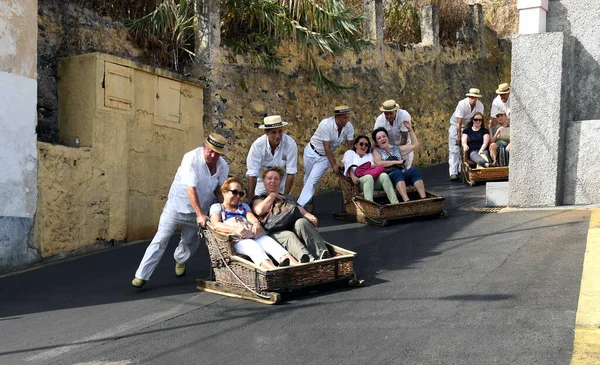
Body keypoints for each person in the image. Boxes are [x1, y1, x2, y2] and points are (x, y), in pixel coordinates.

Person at [131, 133, 229, 288]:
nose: (212, 155)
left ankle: (180, 259)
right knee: (160, 239)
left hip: (201, 210)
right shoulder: (190, 158)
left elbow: (219, 189)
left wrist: (227, 205)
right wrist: (200, 214)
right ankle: (141, 276)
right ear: (205, 146)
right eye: (210, 150)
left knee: (190, 242)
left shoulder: (223, 165)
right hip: (177, 207)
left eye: (216, 152)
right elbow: (191, 189)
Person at [210, 177, 298, 269]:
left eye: (241, 193)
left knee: (270, 243)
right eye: (234, 192)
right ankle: (274, 270)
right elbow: (216, 225)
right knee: (253, 247)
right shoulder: (217, 207)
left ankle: (296, 266)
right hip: (236, 240)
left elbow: (252, 218)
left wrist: (256, 224)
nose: (238, 196)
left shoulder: (243, 206)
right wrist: (235, 229)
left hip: (252, 235)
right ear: (224, 192)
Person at [253, 167, 331, 261]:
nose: (273, 181)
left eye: (276, 179)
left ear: (280, 182)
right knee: (289, 235)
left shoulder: (287, 198)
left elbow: (297, 208)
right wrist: (273, 195)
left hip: (292, 226)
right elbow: (259, 210)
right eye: (269, 178)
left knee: (301, 222)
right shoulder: (259, 199)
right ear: (264, 181)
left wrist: (308, 215)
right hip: (274, 232)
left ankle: (323, 253)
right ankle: (307, 259)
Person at [297, 105, 355, 207]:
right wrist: (334, 165)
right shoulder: (325, 124)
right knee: (308, 177)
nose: (347, 120)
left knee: (312, 180)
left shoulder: (349, 127)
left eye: (348, 117)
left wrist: (349, 163)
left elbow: (350, 146)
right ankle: (308, 201)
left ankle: (299, 206)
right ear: (337, 117)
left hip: (324, 158)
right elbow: (326, 146)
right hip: (311, 152)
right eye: (344, 117)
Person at [246, 115, 298, 201]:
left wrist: (285, 197)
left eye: (280, 131)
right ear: (266, 132)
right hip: (262, 185)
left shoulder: (290, 144)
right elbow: (252, 174)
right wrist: (250, 202)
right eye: (274, 132)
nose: (278, 136)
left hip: (281, 184)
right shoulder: (258, 146)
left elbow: (291, 173)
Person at [372, 125, 427, 202]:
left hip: (401, 174)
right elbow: (379, 163)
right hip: (390, 177)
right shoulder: (376, 151)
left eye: (384, 136)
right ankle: (406, 200)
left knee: (413, 170)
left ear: (387, 138)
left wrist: (410, 129)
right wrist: (396, 162)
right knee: (397, 173)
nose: (382, 139)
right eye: (379, 138)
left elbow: (415, 144)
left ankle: (424, 198)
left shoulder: (396, 149)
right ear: (377, 142)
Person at [342, 135, 399, 204]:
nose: (364, 146)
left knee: (383, 175)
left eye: (366, 145)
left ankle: (395, 203)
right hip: (358, 183)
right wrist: (353, 176)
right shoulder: (350, 153)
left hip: (372, 181)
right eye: (361, 144)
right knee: (368, 177)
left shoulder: (369, 155)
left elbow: (373, 166)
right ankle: (370, 205)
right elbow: (348, 165)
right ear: (356, 145)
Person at [449, 88, 484, 181]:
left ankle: (462, 170)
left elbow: (479, 119)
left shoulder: (480, 106)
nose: (473, 99)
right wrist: (459, 137)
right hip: (456, 125)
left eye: (475, 97)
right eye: (472, 97)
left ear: (478, 98)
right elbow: (458, 122)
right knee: (455, 149)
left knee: (466, 148)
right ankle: (453, 172)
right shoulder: (462, 104)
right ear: (469, 97)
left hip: (469, 126)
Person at [374, 99, 414, 168]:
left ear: (396, 111)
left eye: (391, 113)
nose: (388, 116)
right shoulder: (380, 120)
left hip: (404, 146)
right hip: (389, 148)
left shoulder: (404, 115)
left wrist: (398, 154)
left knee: (406, 169)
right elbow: (375, 139)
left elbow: (404, 137)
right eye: (386, 114)